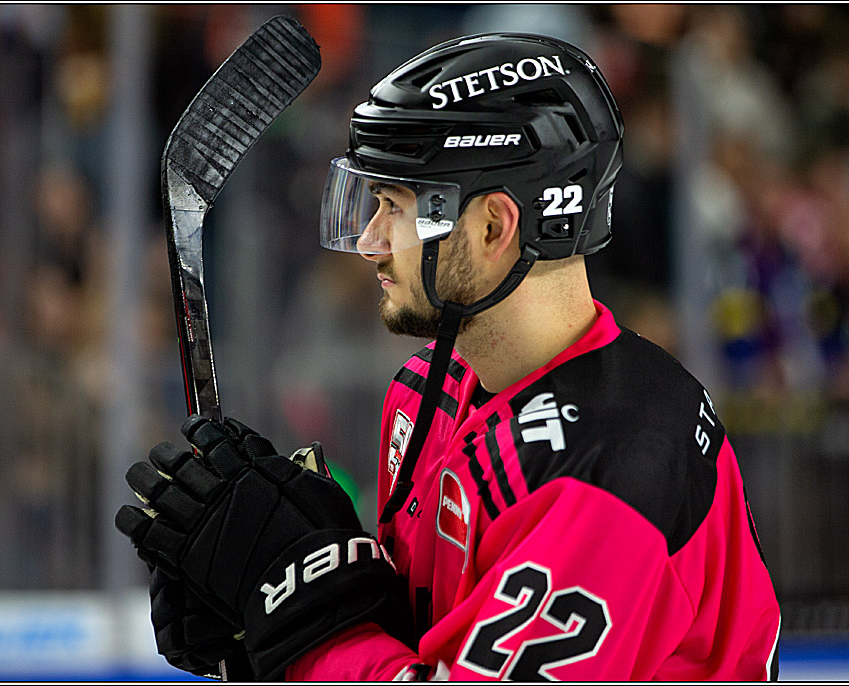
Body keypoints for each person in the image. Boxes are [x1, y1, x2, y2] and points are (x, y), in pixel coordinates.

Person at [117, 32, 781, 681]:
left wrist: (304, 625)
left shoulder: (617, 467)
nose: (371, 242)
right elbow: (418, 641)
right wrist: (266, 617)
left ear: (494, 225)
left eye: (396, 207)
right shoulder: (424, 390)